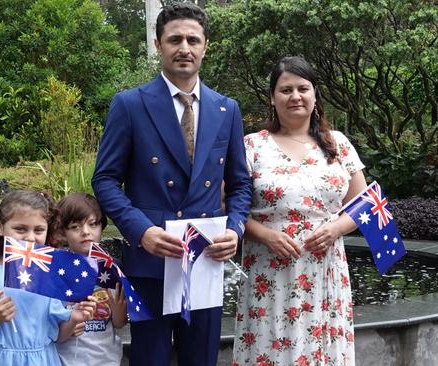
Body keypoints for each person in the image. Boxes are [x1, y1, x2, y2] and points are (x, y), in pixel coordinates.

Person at [91, 3, 252, 365]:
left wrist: (236, 228)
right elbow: (104, 179)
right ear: (158, 44)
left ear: (205, 46)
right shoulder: (129, 105)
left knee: (201, 360)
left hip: (205, 260)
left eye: (193, 40)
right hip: (150, 260)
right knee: (151, 359)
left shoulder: (227, 109)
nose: (185, 48)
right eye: (175, 39)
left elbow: (240, 184)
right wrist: (140, 231)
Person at [232, 56, 367, 366]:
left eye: (303, 88)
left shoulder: (338, 144)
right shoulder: (251, 146)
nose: (295, 96)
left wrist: (335, 228)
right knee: (272, 348)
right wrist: (265, 235)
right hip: (269, 269)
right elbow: (229, 208)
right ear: (272, 97)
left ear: (315, 95)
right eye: (286, 89)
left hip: (325, 270)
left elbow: (365, 203)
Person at [0, 190, 96, 366]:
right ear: (0, 227)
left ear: (47, 231)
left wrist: (74, 318)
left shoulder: (51, 275)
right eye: (20, 229)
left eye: (39, 230)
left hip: (43, 360)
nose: (30, 238)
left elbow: (56, 336)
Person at [52, 193, 127, 366]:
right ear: (62, 232)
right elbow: (49, 324)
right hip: (66, 359)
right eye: (75, 226)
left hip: (106, 359)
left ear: (101, 226)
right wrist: (68, 325)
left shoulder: (112, 269)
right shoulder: (55, 270)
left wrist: (119, 311)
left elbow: (118, 323)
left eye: (93, 224)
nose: (86, 232)